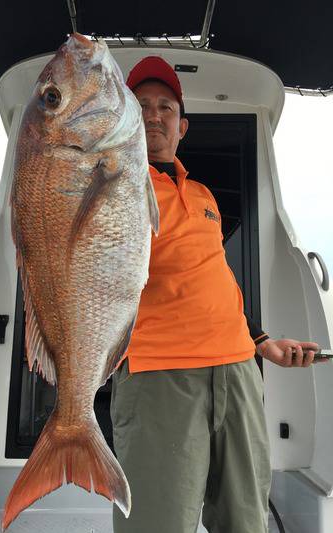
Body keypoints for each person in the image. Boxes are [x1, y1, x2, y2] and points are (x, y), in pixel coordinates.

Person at [110, 56, 321, 533]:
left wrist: (263, 342)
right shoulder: (111, 186)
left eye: (165, 106)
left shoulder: (203, 195)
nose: (153, 114)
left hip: (239, 372)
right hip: (160, 375)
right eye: (140, 105)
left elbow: (216, 281)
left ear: (181, 126)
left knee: (246, 521)